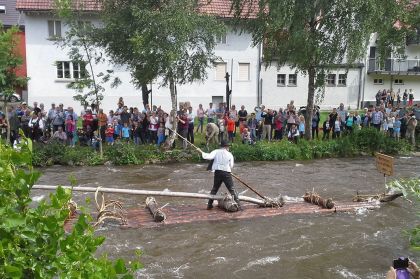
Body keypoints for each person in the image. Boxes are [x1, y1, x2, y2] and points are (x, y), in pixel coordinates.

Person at [198, 140, 242, 210]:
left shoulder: (216, 151)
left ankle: (209, 205)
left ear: (221, 146)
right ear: (226, 147)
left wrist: (201, 152)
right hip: (226, 173)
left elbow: (208, 157)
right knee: (232, 189)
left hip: (218, 172)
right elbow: (231, 165)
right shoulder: (229, 154)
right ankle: (239, 207)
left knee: (214, 189)